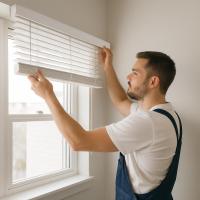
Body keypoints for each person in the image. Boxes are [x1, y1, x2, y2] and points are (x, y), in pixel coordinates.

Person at [28, 48, 182, 200]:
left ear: (153, 81)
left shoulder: (148, 122)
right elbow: (121, 101)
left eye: (135, 73)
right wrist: (107, 67)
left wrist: (48, 95)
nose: (128, 76)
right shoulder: (167, 115)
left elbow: (79, 141)